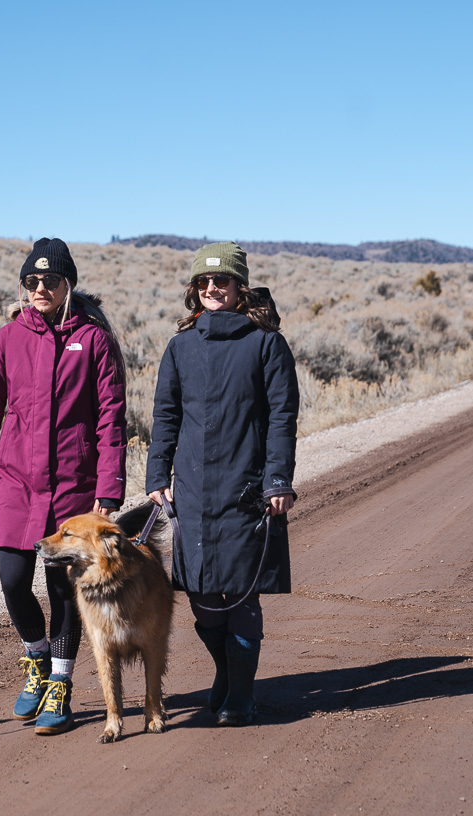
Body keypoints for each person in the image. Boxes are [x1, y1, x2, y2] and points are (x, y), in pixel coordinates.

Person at [0, 237, 127, 736]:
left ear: (67, 283)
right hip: (16, 482)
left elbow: (111, 419)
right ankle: (34, 658)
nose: (39, 289)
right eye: (31, 281)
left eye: (49, 281)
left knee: (61, 590)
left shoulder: (93, 340)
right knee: (12, 581)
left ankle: (60, 683)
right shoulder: (7, 339)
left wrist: (108, 488)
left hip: (72, 487)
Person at [145, 241, 299, 726]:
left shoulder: (266, 343)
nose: (213, 289)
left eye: (223, 281)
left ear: (239, 288)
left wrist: (278, 479)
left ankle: (241, 694)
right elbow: (165, 416)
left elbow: (282, 417)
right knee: (202, 596)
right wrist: (156, 475)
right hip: (191, 489)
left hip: (246, 488)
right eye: (204, 282)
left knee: (238, 593)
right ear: (195, 290)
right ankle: (227, 673)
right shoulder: (180, 346)